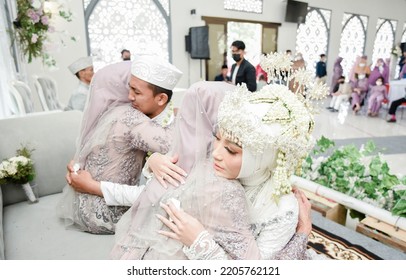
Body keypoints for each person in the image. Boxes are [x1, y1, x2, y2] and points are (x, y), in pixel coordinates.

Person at [110, 53, 326, 260]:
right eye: (216, 138)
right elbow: (159, 197)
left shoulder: (281, 209)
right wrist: (154, 161)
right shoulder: (213, 169)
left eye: (231, 150)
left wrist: (199, 242)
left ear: (262, 156)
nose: (216, 153)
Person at [57, 55, 182, 234]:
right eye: (129, 88)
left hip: (85, 205)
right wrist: (184, 114)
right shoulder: (131, 117)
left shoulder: (114, 112)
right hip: (108, 213)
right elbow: (172, 144)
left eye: (136, 91)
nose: (130, 96)